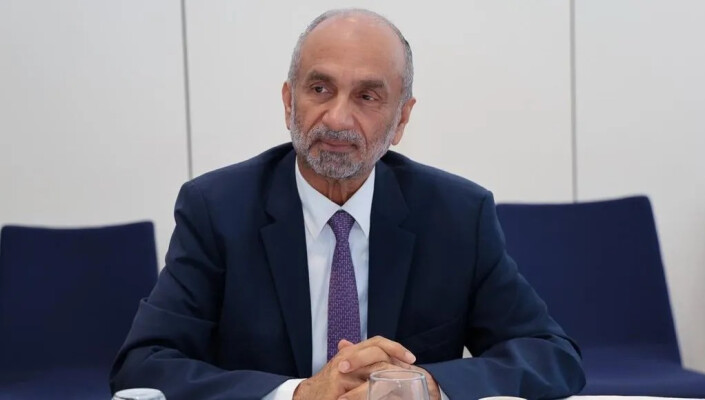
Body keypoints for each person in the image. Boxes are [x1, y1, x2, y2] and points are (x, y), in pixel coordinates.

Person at [110, 8, 585, 400]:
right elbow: (144, 365)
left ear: (402, 119)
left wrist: (428, 385)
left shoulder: (458, 215)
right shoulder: (217, 210)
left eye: (367, 96)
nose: (337, 118)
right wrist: (298, 395)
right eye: (320, 89)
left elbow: (552, 355)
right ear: (288, 102)